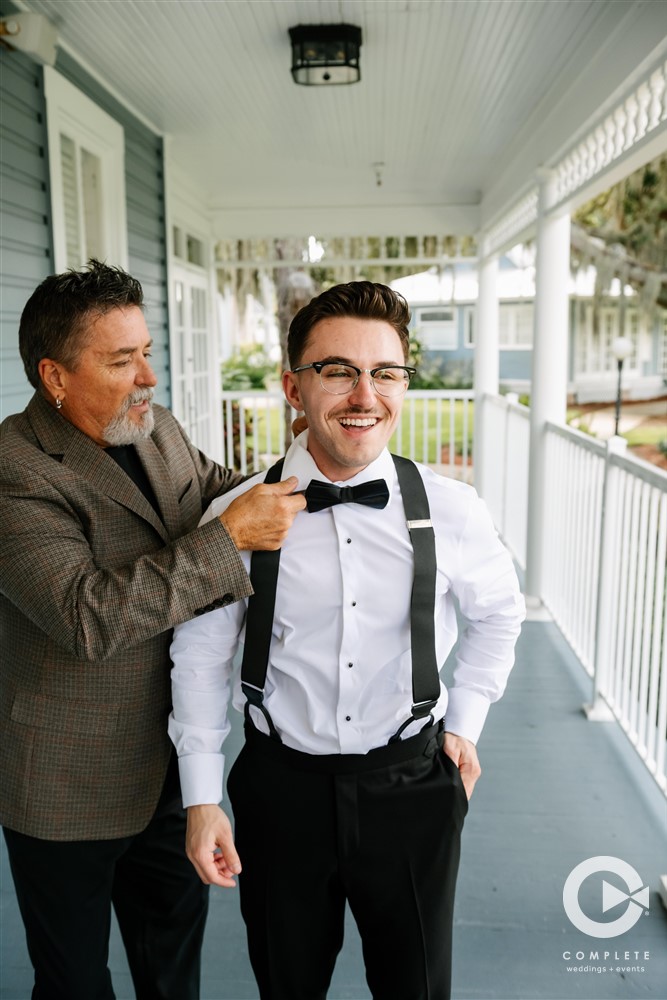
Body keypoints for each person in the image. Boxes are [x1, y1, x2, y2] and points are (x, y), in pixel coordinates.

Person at [169, 281, 525, 1000]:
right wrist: (202, 796)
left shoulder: (452, 511)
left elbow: (498, 616)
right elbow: (201, 657)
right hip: (280, 789)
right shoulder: (232, 516)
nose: (365, 395)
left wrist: (464, 723)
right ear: (293, 387)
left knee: (417, 983)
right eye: (338, 370)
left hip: (413, 788)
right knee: (286, 981)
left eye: (385, 373)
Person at [0, 259, 305, 1000]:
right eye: (120, 360)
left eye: (146, 352)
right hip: (66, 782)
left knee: (172, 964)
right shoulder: (14, 468)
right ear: (55, 376)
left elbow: (215, 492)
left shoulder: (151, 425)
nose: (148, 378)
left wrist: (305, 455)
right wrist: (230, 539)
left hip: (173, 764)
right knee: (73, 980)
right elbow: (86, 615)